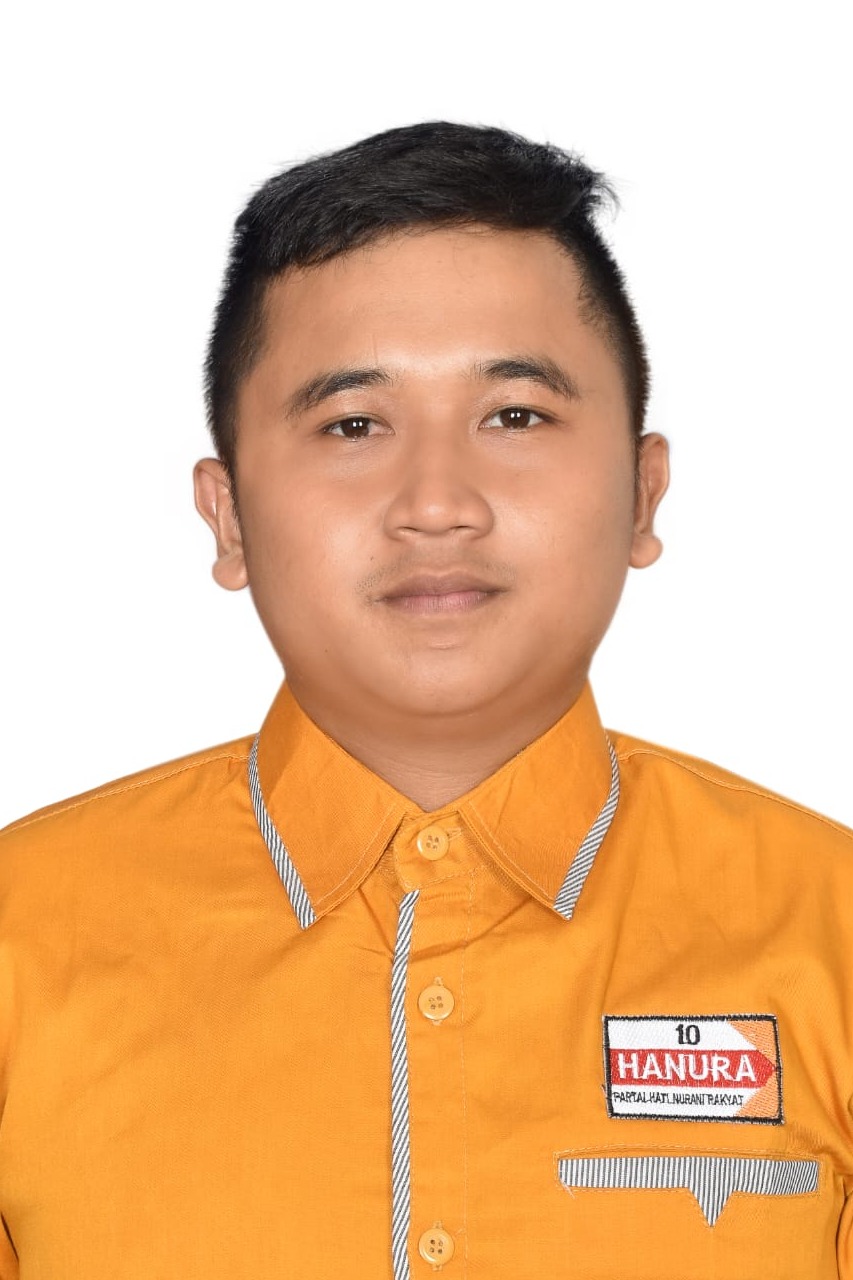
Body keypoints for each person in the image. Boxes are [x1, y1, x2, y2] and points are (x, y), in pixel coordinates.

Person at [0, 121, 850, 1280]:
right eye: (353, 424)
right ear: (228, 515)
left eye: (514, 415)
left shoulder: (830, 935)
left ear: (643, 492)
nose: (438, 501)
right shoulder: (22, 940)